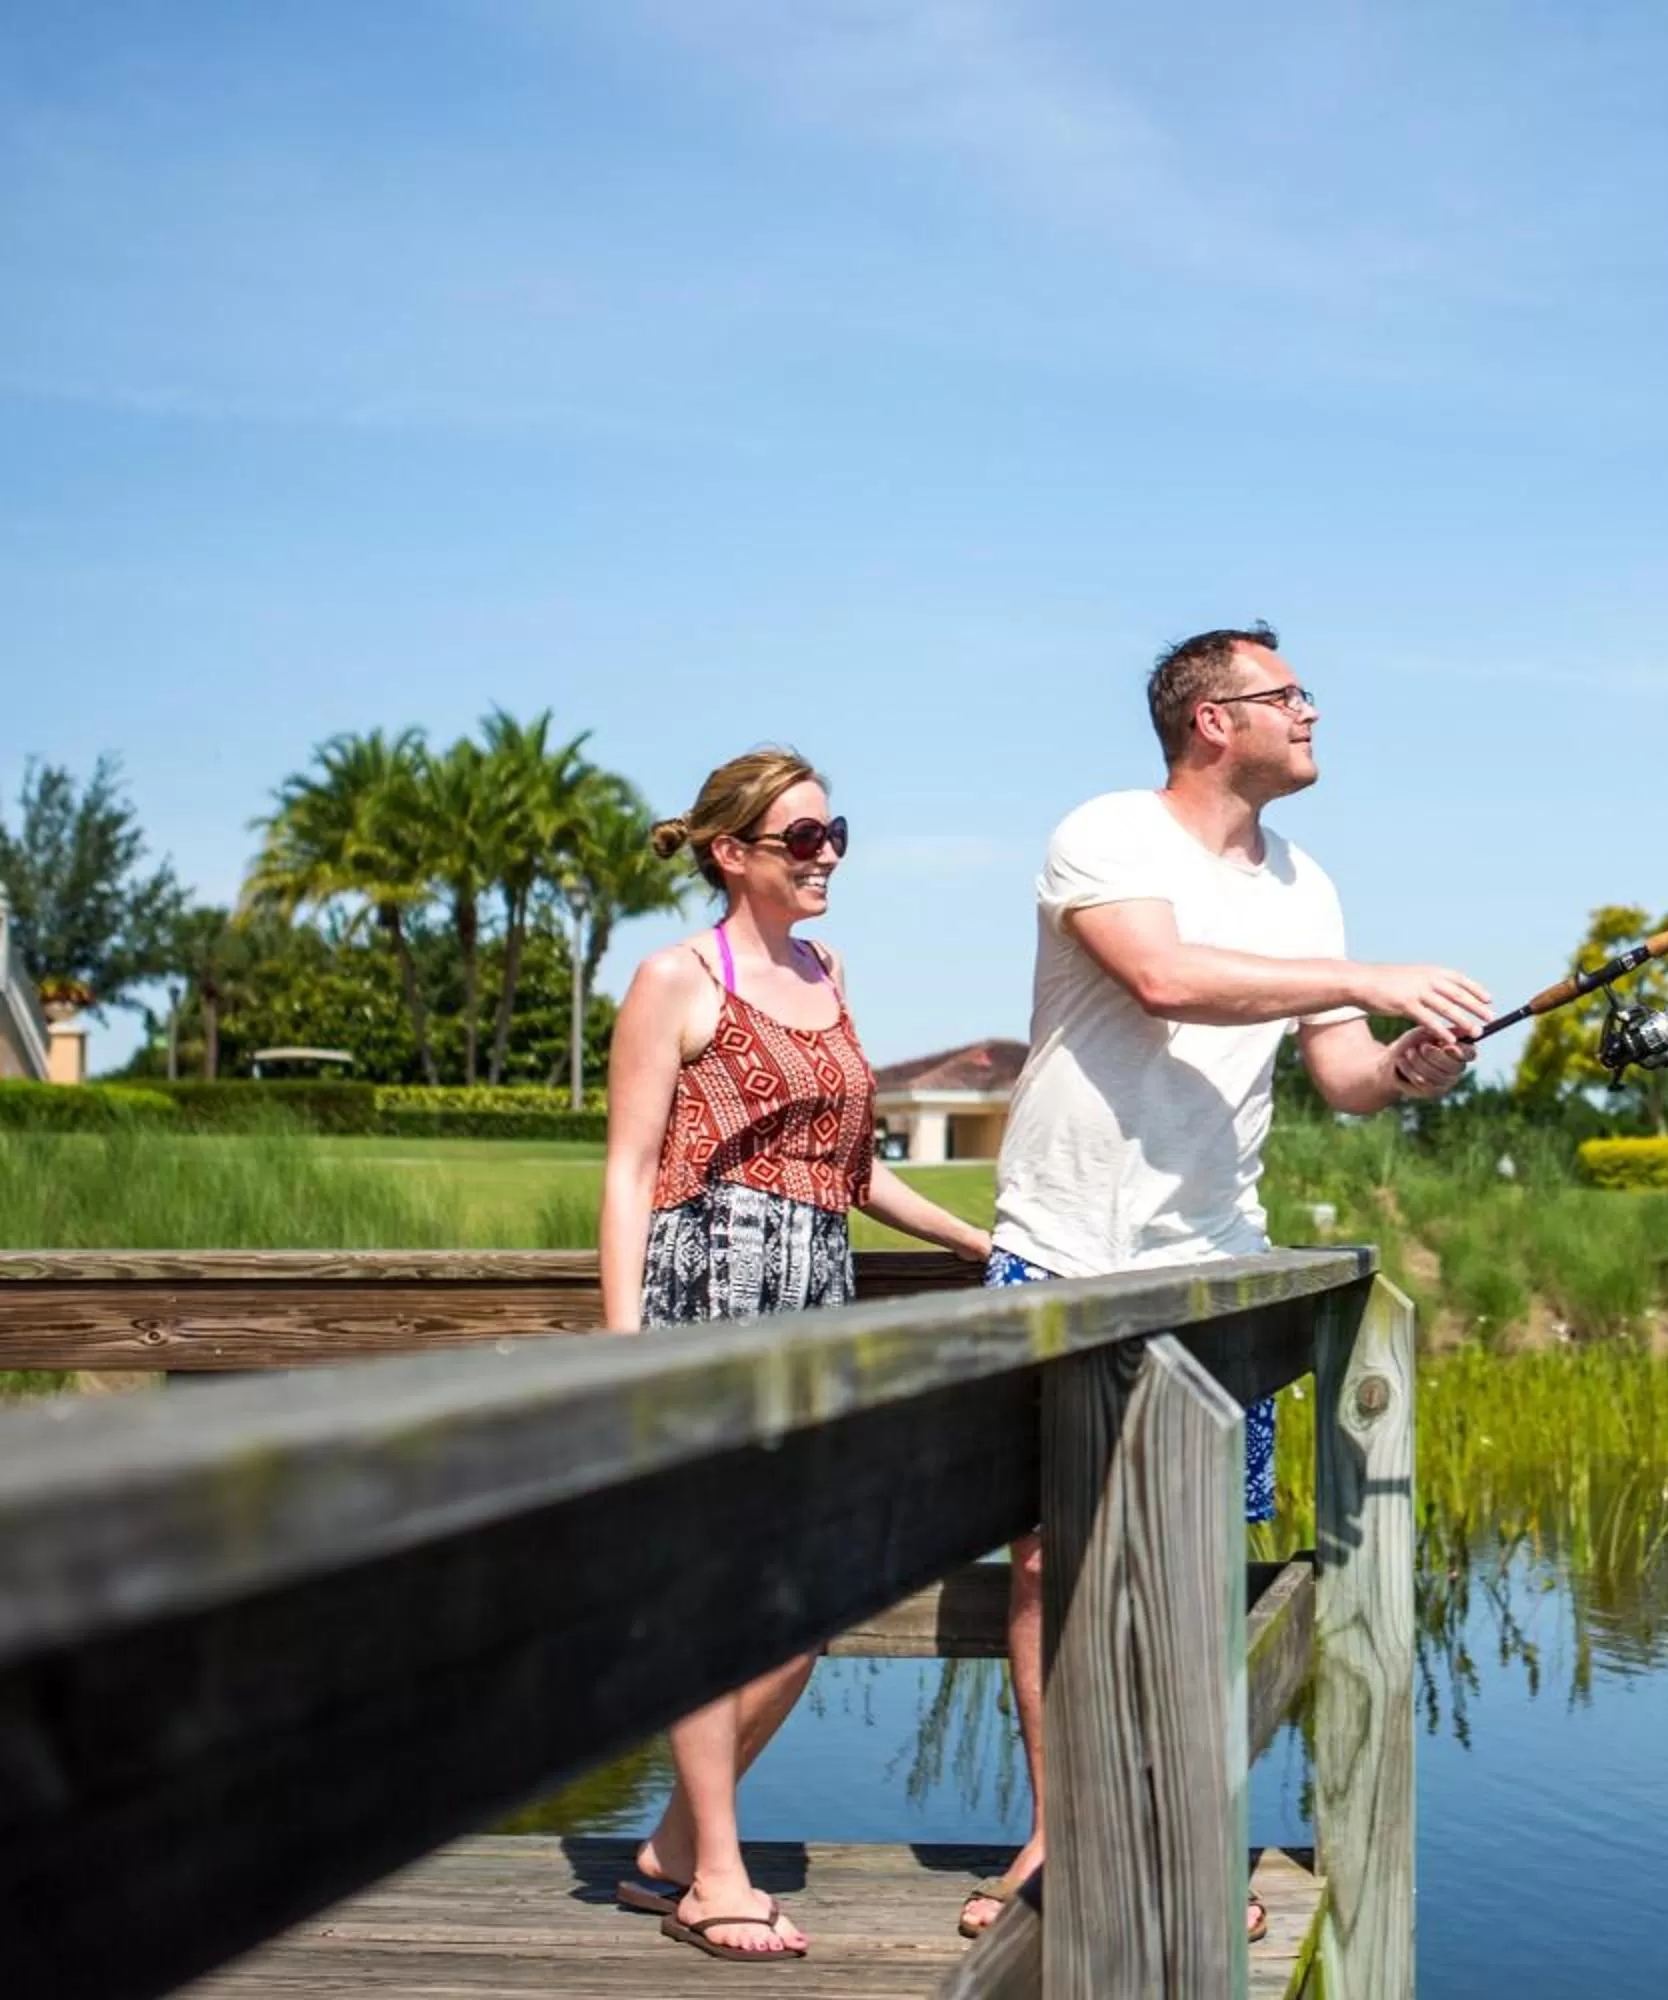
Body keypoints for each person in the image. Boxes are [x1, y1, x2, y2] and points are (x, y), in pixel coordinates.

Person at [957, 624, 1487, 1942]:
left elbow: (1346, 1078)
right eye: (1287, 696)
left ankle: (1191, 1828)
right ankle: (1056, 1836)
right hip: (1068, 1252)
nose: (1313, 714)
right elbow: (1163, 976)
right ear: (1211, 720)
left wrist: (1412, 1066)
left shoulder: (1308, 884)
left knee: (1204, 1566)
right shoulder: (1108, 834)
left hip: (1219, 1273)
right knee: (1047, 1564)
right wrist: (1366, 977)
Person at [598, 747, 992, 1963]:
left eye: (836, 834)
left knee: (809, 1601)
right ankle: (716, 1870)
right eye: (802, 837)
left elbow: (856, 1167)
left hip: (815, 1293)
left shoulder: (830, 975)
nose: (827, 855)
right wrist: (621, 1355)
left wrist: (986, 1238)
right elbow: (625, 1173)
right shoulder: (674, 979)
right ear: (733, 852)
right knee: (716, 1594)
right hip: (707, 1292)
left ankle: (671, 1843)